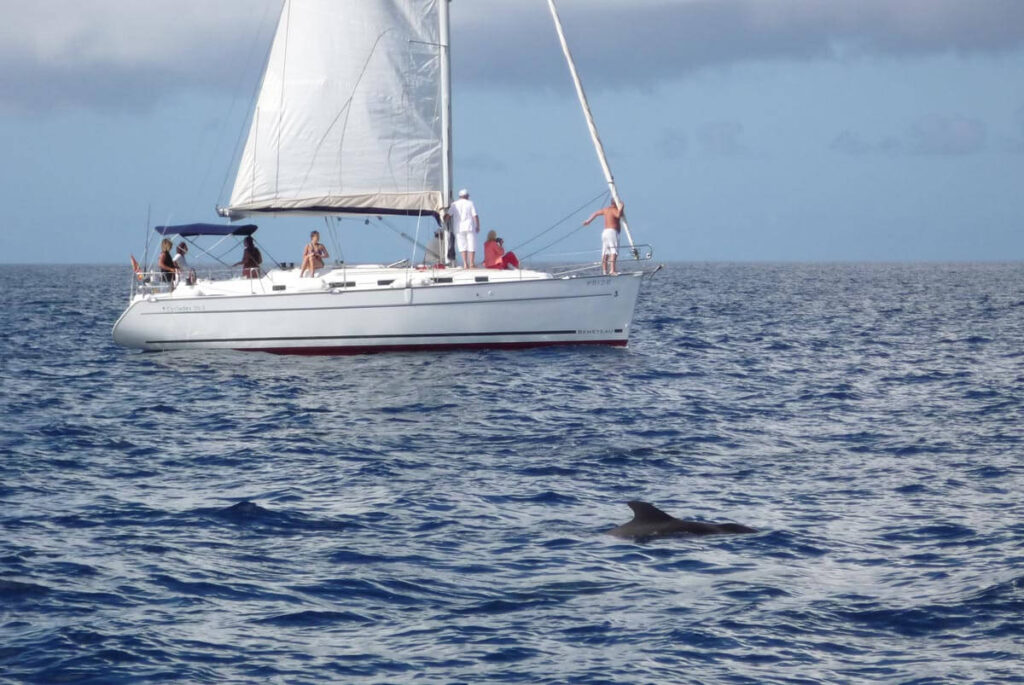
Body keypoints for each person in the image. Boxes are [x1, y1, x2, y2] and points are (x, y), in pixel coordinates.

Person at [583, 200, 624, 275]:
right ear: (615, 203)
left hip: (605, 233)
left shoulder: (606, 209)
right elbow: (618, 215)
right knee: (613, 251)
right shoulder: (614, 210)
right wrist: (621, 208)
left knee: (605, 252)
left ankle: (604, 271)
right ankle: (612, 270)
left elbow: (596, 213)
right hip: (612, 232)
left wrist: (588, 221)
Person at [449, 188, 479, 268]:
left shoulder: (454, 204)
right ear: (466, 196)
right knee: (471, 245)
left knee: (462, 245)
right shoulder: (470, 203)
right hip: (469, 227)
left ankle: (465, 263)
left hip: (458, 228)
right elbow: (475, 215)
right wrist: (477, 226)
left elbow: (448, 215)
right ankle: (472, 263)